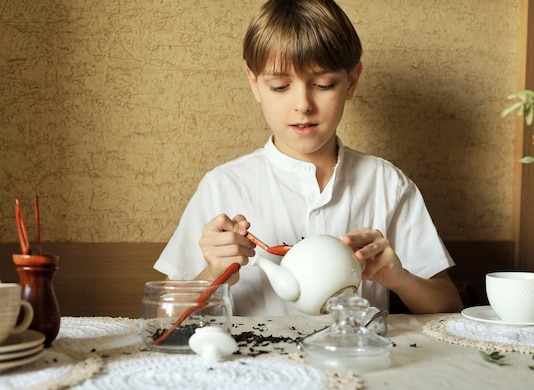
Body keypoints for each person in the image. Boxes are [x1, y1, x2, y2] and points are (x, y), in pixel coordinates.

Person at [154, 0, 463, 316]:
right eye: (280, 86)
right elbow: (164, 317)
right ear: (255, 84)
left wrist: (397, 278)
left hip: (356, 361)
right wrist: (213, 275)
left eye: (323, 84)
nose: (302, 104)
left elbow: (449, 307)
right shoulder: (222, 186)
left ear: (351, 81)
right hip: (256, 363)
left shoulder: (386, 184)